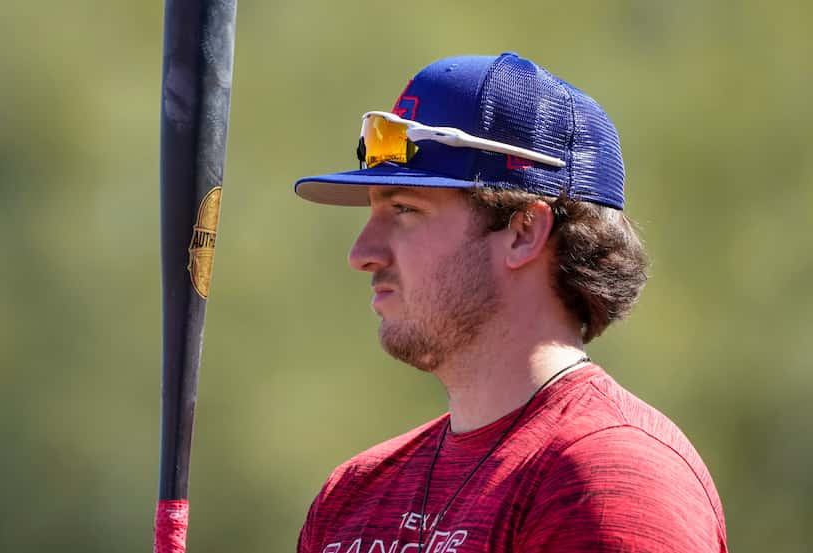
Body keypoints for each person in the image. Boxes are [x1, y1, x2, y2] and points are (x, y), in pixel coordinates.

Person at [292, 53, 727, 553]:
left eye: (406, 210)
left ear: (523, 232)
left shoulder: (609, 479)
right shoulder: (355, 494)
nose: (361, 254)